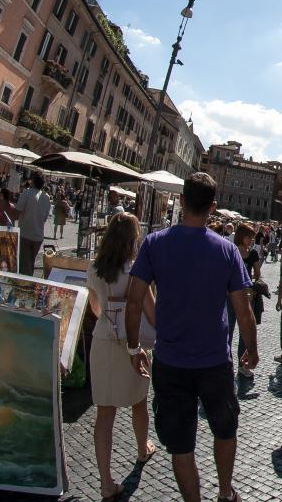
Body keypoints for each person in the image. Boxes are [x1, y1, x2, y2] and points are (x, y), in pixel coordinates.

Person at [125, 172, 257, 502]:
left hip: (170, 362)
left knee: (181, 445)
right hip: (215, 360)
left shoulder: (155, 243)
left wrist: (133, 347)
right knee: (225, 430)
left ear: (181, 201)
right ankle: (225, 493)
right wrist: (252, 348)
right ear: (213, 207)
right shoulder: (227, 251)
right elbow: (244, 309)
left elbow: (134, 299)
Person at [86, 213, 157, 501]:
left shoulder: (94, 269)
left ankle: (105, 482)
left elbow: (94, 308)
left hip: (103, 341)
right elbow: (152, 313)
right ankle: (142, 448)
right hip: (133, 342)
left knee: (105, 412)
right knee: (139, 401)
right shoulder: (137, 270)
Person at [229, 225, 263, 379]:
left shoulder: (253, 253)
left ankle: (243, 365)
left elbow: (257, 273)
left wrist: (255, 283)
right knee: (227, 330)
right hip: (228, 295)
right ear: (241, 236)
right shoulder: (231, 250)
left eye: (252, 238)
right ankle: (225, 364)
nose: (250, 241)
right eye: (248, 237)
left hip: (246, 294)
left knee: (246, 330)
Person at [14, 174, 52, 276]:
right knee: (30, 263)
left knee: (24, 266)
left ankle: (26, 287)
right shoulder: (46, 197)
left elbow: (16, 214)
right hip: (38, 235)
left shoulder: (26, 193)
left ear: (33, 181)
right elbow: (44, 218)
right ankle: (29, 283)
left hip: (25, 233)